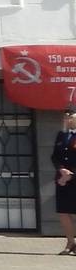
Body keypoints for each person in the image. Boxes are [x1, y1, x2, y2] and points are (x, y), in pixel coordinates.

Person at [53, 108, 76, 255]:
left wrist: (71, 174)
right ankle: (70, 242)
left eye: (71, 117)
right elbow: (54, 156)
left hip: (74, 178)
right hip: (62, 179)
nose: (68, 120)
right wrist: (62, 170)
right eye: (66, 118)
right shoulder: (61, 136)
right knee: (63, 212)